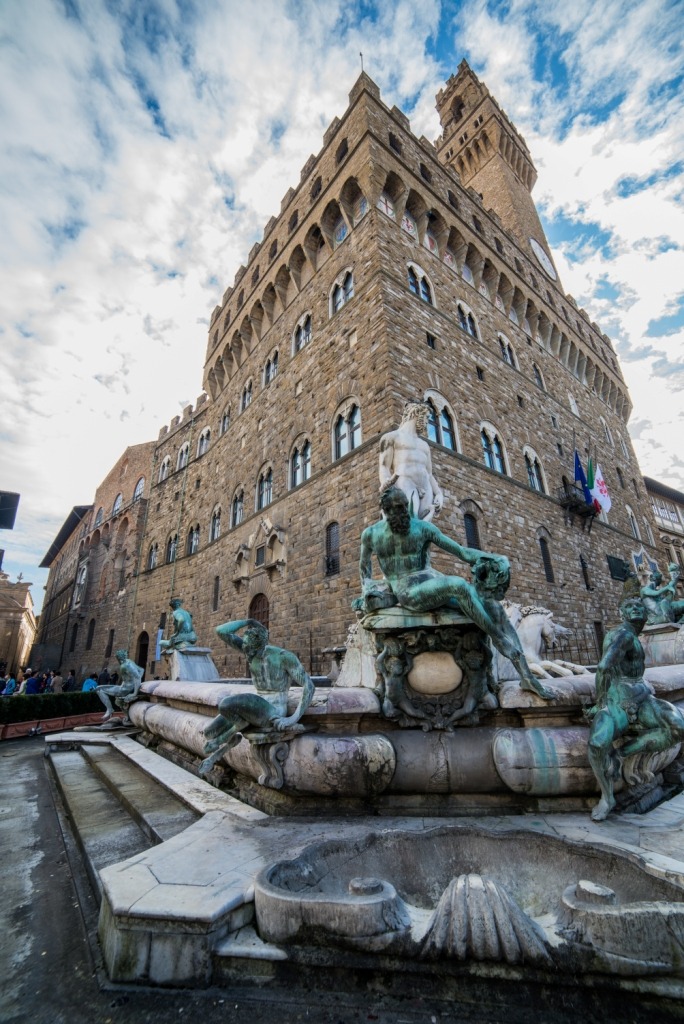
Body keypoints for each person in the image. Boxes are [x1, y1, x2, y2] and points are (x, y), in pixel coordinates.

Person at [357, 486, 553, 700]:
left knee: (491, 605)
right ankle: (503, 643)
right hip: (407, 590)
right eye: (397, 508)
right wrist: (368, 591)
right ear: (386, 510)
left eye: (405, 506)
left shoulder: (422, 528)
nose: (404, 510)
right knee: (458, 585)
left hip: (431, 582)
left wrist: (491, 558)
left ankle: (526, 675)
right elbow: (364, 569)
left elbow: (461, 552)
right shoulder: (371, 535)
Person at [588, 592, 684, 822]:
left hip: (641, 698)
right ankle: (607, 796)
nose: (635, 609)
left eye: (638, 606)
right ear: (622, 614)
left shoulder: (632, 635)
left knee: (678, 726)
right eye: (629, 607)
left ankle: (621, 753)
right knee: (596, 743)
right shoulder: (624, 635)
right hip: (618, 702)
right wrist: (601, 702)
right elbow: (603, 667)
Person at [199, 619, 314, 776]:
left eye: (247, 646)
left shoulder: (283, 657)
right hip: (255, 707)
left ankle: (228, 735)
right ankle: (232, 735)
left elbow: (309, 686)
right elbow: (221, 631)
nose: (244, 649)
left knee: (226, 704)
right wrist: (249, 621)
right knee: (209, 733)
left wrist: (292, 719)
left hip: (273, 710)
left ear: (259, 645)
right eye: (244, 645)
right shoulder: (249, 652)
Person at [379, 401, 444, 521]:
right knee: (408, 525)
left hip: (426, 486)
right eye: (426, 418)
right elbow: (384, 467)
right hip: (405, 483)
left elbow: (429, 473)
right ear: (417, 414)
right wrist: (386, 484)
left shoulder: (424, 445)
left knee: (424, 529)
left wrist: (439, 493)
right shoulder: (391, 437)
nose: (426, 422)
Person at [95, 649, 144, 720]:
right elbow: (141, 670)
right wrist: (135, 685)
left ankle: (110, 709)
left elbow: (137, 677)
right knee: (99, 688)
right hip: (127, 687)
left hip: (124, 690)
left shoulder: (124, 666)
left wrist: (134, 693)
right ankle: (110, 710)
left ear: (119, 658)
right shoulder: (129, 661)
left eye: (117, 658)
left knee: (99, 689)